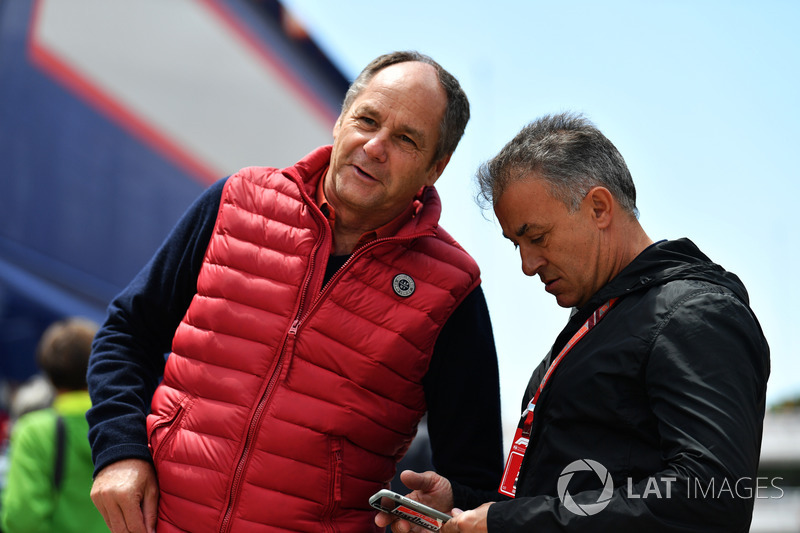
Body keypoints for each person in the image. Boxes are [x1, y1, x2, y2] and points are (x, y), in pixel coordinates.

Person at [86, 50, 504, 533]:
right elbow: (126, 332)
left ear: (436, 167)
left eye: (406, 139)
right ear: (340, 121)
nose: (374, 146)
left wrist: (440, 505)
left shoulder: (451, 289)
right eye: (366, 120)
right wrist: (119, 451)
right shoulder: (236, 201)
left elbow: (472, 480)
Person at [378, 112, 770, 532]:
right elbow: (568, 497)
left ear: (599, 207)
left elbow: (711, 497)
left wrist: (508, 524)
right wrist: (466, 506)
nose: (528, 265)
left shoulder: (694, 313)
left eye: (538, 237)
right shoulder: (605, 321)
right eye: (517, 245)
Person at [1, 317, 108, 533]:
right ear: (99, 367)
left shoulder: (34, 432)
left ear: (48, 373)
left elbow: (22, 519)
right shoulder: (129, 429)